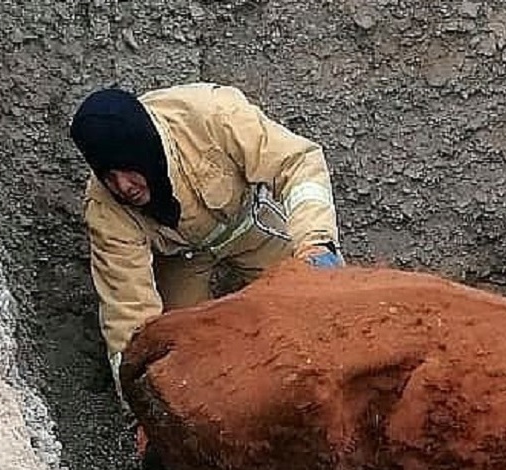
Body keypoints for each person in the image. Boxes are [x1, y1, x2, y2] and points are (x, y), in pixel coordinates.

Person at [68, 81, 344, 399]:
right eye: (109, 177)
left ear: (146, 149)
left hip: (250, 224)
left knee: (323, 306)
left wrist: (316, 243)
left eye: (129, 171)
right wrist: (142, 402)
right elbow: (128, 316)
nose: (123, 186)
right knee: (180, 363)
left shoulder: (212, 115)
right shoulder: (106, 209)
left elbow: (298, 163)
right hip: (181, 259)